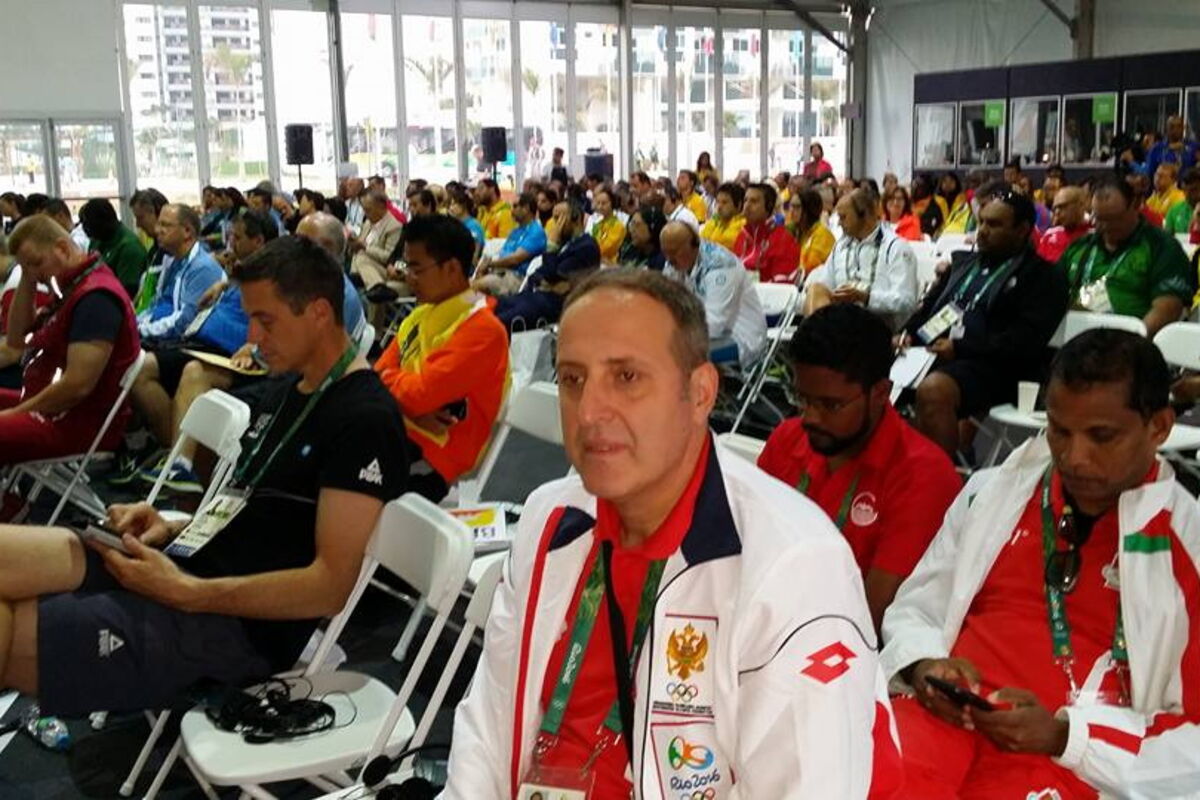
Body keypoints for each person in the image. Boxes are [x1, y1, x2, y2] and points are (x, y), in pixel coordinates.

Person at [443, 268, 900, 799]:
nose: (589, 412)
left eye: (626, 377)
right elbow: (489, 720)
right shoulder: (553, 518)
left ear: (701, 392)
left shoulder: (795, 568)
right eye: (572, 378)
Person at [0, 234, 408, 717]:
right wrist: (173, 526)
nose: (252, 337)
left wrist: (188, 593)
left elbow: (329, 586)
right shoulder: (289, 388)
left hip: (232, 625)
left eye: (265, 320)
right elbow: (254, 509)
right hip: (182, 565)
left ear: (319, 312)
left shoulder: (364, 419)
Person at [882, 329, 1200, 799]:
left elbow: (1191, 747)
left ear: (1159, 427)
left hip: (1074, 763)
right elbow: (916, 608)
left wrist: (1066, 737)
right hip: (943, 720)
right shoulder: (993, 493)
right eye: (1059, 431)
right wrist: (924, 665)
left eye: (1102, 436)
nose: (1075, 458)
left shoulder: (1189, 547)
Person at [758, 304, 960, 631]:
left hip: (841, 645)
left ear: (880, 393)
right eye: (802, 398)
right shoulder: (787, 439)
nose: (810, 417)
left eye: (831, 405)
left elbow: (871, 619)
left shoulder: (924, 476)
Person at [904, 192, 1067, 458]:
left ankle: (939, 477)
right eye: (981, 222)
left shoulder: (1043, 277)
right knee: (868, 370)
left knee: (934, 391)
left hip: (1000, 367)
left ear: (1022, 229)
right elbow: (926, 309)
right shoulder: (962, 265)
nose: (982, 231)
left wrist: (961, 348)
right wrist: (906, 335)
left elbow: (1024, 341)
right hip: (937, 355)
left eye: (994, 224)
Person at [128, 210, 275, 489]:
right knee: (138, 365)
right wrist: (224, 284)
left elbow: (274, 322)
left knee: (184, 371)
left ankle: (179, 462)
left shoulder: (273, 279)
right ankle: (174, 456)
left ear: (258, 241)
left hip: (229, 353)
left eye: (238, 238)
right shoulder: (241, 271)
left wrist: (253, 348)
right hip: (199, 342)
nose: (230, 243)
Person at [375, 215, 509, 501]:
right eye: (407, 266)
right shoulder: (420, 314)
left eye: (416, 268)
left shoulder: (484, 329)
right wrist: (407, 404)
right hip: (398, 431)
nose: (408, 277)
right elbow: (378, 376)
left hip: (436, 458)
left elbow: (417, 394)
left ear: (452, 268)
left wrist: (400, 393)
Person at [0, 216, 140, 465]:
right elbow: (16, 340)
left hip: (75, 423)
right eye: (26, 267)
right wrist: (28, 277)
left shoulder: (96, 299)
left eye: (37, 263)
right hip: (50, 408)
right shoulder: (70, 288)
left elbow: (77, 386)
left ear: (62, 249)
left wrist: (16, 413)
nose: (35, 274)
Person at [1058, 176, 1194, 337]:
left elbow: (1167, 308)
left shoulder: (1161, 246)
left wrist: (1130, 343)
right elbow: (1053, 291)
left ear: (1134, 206)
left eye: (1114, 219)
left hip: (1134, 342)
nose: (1105, 227)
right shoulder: (1080, 247)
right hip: (1076, 338)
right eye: (1099, 219)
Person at [806, 189, 918, 332]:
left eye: (843, 217)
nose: (839, 223)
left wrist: (866, 297)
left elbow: (906, 302)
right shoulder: (840, 246)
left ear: (864, 215)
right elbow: (826, 285)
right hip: (841, 319)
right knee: (816, 289)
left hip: (876, 324)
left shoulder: (896, 247)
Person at [661, 221, 766, 366]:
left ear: (694, 245)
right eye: (665, 252)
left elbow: (713, 326)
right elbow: (666, 301)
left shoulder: (721, 267)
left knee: (675, 356)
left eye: (674, 252)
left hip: (739, 337)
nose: (669, 259)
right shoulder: (675, 262)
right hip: (697, 332)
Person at [494, 200, 600, 332]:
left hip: (555, 305)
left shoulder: (586, 247)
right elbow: (541, 274)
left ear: (575, 218)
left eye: (558, 218)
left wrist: (551, 247)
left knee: (497, 323)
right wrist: (546, 281)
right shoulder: (565, 243)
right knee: (490, 308)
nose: (555, 226)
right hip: (535, 295)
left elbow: (551, 275)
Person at [137, 204, 224, 345]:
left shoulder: (202, 267)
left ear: (187, 231)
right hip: (159, 335)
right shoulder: (172, 261)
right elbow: (156, 305)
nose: (157, 230)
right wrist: (135, 323)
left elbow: (185, 322)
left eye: (165, 225)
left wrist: (141, 330)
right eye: (158, 224)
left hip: (186, 343)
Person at [473, 192, 547, 297]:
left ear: (526, 208)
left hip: (516, 278)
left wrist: (489, 264)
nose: (511, 210)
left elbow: (515, 259)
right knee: (468, 286)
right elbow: (502, 255)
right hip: (500, 272)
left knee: (474, 287)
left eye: (515, 206)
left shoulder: (536, 232)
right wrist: (485, 268)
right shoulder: (515, 231)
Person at [78, 198, 147, 299]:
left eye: (88, 224)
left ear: (102, 222)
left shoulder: (129, 248)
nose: (84, 229)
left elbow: (127, 293)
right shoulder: (97, 240)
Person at [733, 182, 800, 283]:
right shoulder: (742, 235)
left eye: (754, 201)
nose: (747, 206)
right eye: (745, 200)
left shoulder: (782, 239)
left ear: (769, 206)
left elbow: (782, 284)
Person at [349, 189, 404, 292]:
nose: (365, 213)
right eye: (364, 209)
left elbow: (389, 257)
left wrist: (365, 247)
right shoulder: (367, 223)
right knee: (359, 255)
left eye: (368, 210)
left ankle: (377, 287)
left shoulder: (394, 227)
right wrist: (353, 243)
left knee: (362, 257)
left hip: (383, 269)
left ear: (381, 206)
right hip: (362, 268)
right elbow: (359, 245)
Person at [786, 187, 837, 275]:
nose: (791, 211)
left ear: (809, 209)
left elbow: (810, 268)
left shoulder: (822, 235)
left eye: (797, 207)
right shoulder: (796, 231)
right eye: (790, 206)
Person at [1036, 186, 1092, 264]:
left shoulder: (1095, 236)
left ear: (1081, 205)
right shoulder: (1049, 235)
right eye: (1055, 208)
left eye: (1062, 207)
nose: (1057, 212)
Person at [616, 206, 667, 271]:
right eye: (632, 224)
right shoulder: (630, 249)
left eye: (637, 225)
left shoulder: (663, 259)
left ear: (652, 228)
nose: (632, 230)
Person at [699, 182, 746, 252]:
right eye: (717, 202)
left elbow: (720, 246)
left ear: (739, 205)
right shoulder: (715, 221)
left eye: (724, 202)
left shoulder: (742, 226)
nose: (719, 206)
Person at [588, 187, 626, 264]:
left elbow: (607, 249)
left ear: (612, 203)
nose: (600, 207)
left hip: (610, 264)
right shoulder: (598, 224)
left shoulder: (618, 226)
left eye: (604, 203)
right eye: (598, 203)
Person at [1164, 166, 1200, 236]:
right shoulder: (1174, 210)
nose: (1194, 195)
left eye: (1195, 190)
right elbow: (1167, 237)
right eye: (1187, 190)